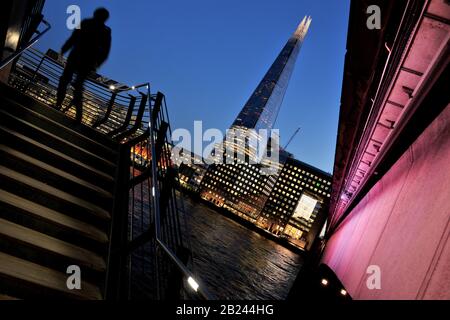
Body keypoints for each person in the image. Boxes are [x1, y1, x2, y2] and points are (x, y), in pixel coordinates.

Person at [55, 7, 111, 124]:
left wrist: (63, 49)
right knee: (77, 86)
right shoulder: (106, 31)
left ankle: (58, 104)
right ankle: (78, 116)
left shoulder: (85, 22)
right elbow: (105, 51)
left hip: (76, 56)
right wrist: (97, 64)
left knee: (65, 80)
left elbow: (74, 38)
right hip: (88, 61)